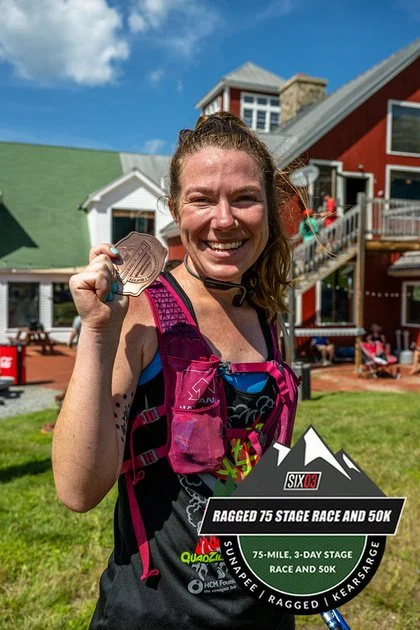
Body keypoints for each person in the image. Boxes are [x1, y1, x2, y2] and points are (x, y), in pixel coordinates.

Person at [52, 112, 299, 629]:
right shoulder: (142, 310)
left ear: (269, 211)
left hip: (263, 606)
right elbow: (78, 490)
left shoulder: (266, 314)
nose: (225, 218)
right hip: (157, 613)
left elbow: (258, 463)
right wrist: (98, 332)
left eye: (245, 198)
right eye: (202, 198)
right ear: (174, 209)